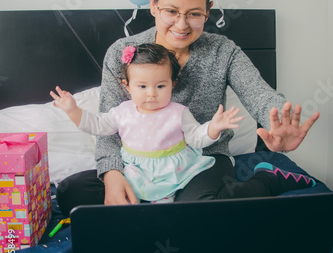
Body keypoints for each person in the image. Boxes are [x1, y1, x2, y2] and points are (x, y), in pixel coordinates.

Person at [55, 0, 319, 216]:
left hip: (202, 159)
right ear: (153, 5)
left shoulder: (222, 51)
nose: (181, 25)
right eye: (171, 11)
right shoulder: (122, 53)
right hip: (140, 165)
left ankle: (266, 179)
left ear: (208, 11)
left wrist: (278, 119)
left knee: (196, 215)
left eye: (194, 14)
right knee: (71, 195)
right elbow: (107, 126)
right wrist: (111, 174)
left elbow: (259, 93)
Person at [50, 43, 243, 203]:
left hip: (173, 170)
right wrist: (73, 111)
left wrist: (213, 127)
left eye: (160, 86)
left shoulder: (178, 112)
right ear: (127, 86)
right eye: (142, 86)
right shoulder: (122, 112)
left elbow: (195, 138)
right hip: (135, 169)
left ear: (172, 84)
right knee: (121, 198)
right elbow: (97, 125)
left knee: (170, 208)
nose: (151, 93)